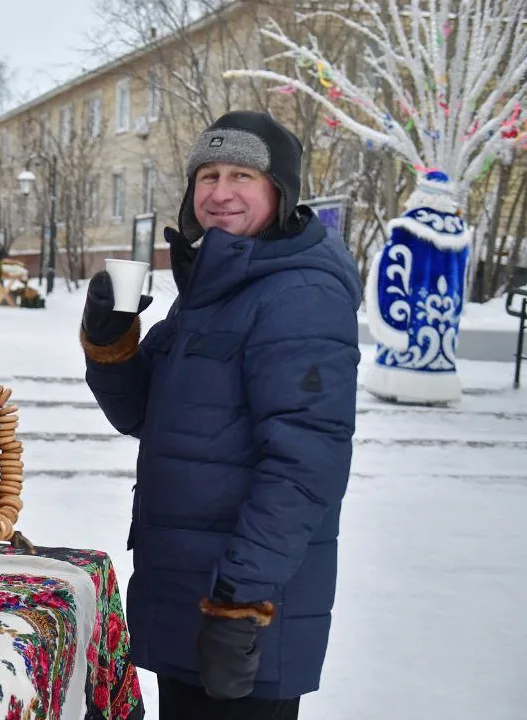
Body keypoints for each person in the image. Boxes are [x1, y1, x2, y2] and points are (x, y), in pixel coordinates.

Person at [80, 111, 361, 719]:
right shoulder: (215, 288)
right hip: (189, 588)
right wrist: (109, 339)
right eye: (207, 175)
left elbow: (303, 465)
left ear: (279, 192)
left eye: (242, 175)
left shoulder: (298, 294)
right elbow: (141, 413)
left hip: (244, 608)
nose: (220, 192)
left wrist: (241, 602)